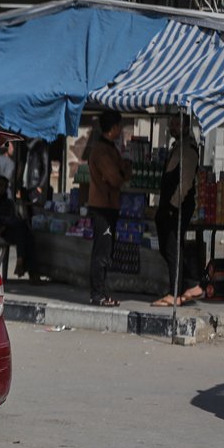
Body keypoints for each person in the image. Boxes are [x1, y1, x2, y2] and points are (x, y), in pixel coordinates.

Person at [153, 116, 204, 307]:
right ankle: (185, 286)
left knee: (173, 248)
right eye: (172, 123)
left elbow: (185, 182)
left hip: (178, 207)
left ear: (185, 126)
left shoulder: (188, 150)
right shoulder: (179, 147)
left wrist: (173, 206)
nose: (172, 127)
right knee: (170, 248)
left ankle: (177, 291)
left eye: (176, 123)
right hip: (170, 206)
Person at [86, 110, 132, 307]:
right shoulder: (101, 150)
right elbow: (115, 177)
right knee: (102, 253)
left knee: (106, 252)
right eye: (119, 127)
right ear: (113, 128)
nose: (120, 130)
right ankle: (98, 294)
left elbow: (122, 170)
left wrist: (124, 169)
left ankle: (102, 292)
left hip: (109, 205)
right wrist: (123, 172)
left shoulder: (109, 148)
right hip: (102, 206)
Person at [0, 175, 38, 278]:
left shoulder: (9, 202)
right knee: (23, 230)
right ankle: (28, 269)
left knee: (28, 234)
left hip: (11, 231)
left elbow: (14, 217)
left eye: (4, 186)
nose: (1, 188)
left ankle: (24, 266)